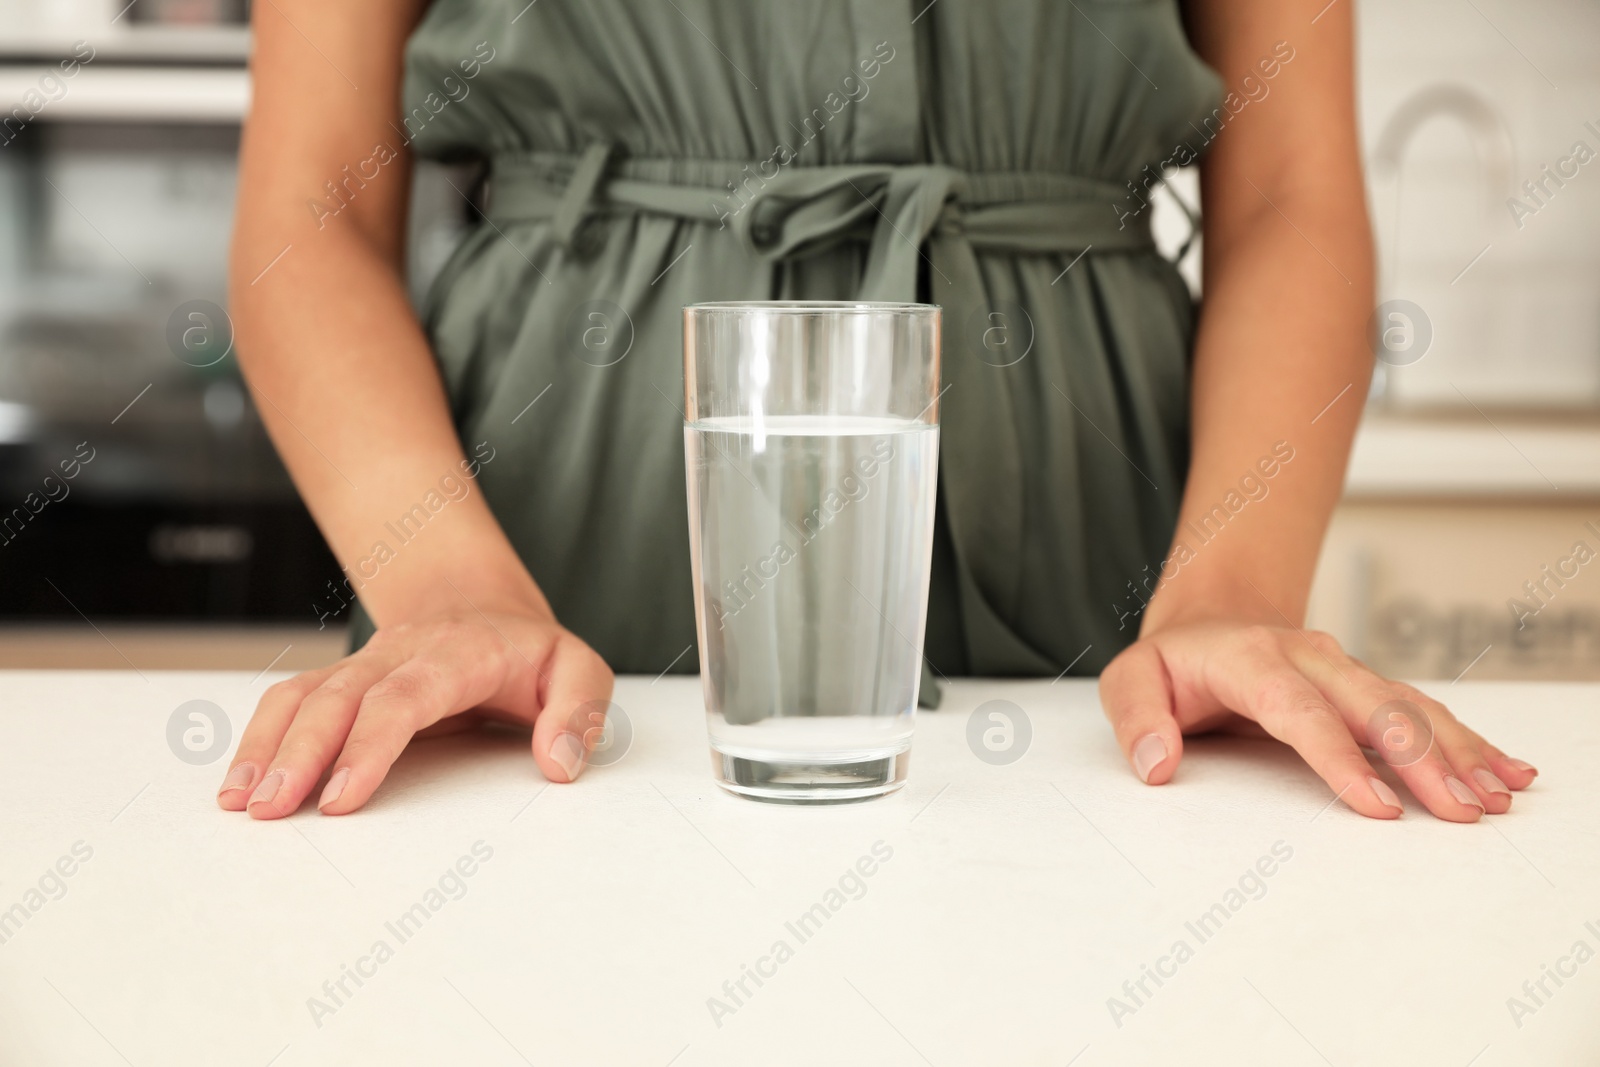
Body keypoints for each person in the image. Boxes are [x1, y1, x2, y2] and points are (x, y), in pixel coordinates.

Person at [217, 0, 1536, 824]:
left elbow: (1288, 194)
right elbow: (313, 202)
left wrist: (1231, 590)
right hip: (534, 534)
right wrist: (446, 585)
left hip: (1111, 549)